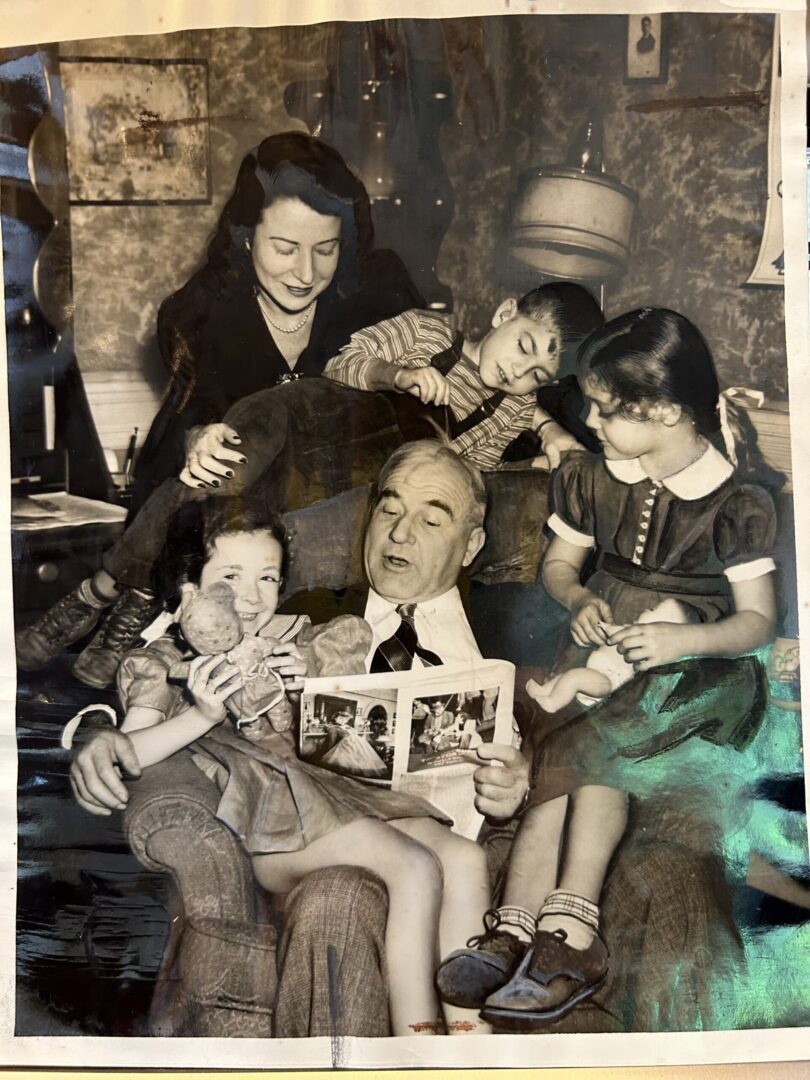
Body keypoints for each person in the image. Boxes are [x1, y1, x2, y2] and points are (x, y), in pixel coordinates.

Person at [66, 440, 532, 1037]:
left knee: (463, 859)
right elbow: (126, 743)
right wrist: (147, 723)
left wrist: (308, 676)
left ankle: (474, 1043)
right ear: (189, 591)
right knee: (414, 868)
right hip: (283, 825)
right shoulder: (181, 660)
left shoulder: (304, 630)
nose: (253, 596)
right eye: (389, 512)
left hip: (357, 808)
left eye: (268, 578)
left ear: (470, 544)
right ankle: (424, 1045)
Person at [436, 307, 777, 1031]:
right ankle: (517, 928)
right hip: (608, 650)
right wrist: (580, 595)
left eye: (605, 409)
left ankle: (575, 933)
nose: (587, 421)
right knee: (559, 744)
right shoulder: (593, 479)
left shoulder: (735, 502)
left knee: (589, 739)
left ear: (665, 411)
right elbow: (558, 567)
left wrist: (685, 644)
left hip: (701, 668)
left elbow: (757, 623)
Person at [16, 130, 421, 685]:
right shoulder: (200, 310)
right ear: (245, 238)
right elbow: (194, 411)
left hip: (322, 493)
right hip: (222, 503)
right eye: (285, 248)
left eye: (325, 249)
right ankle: (132, 599)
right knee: (220, 460)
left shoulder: (377, 294)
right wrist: (199, 433)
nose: (305, 273)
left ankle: (108, 592)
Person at [323, 281, 605, 470]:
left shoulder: (513, 410)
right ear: (504, 314)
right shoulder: (423, 332)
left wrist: (534, 467)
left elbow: (476, 474)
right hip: (345, 460)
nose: (518, 371)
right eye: (523, 347)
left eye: (538, 376)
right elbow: (336, 366)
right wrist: (397, 375)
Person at [525, 597, 697, 712]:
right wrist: (604, 627)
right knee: (566, 676)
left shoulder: (645, 649)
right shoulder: (629, 631)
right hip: (595, 673)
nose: (646, 608)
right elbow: (614, 631)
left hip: (606, 682)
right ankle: (545, 690)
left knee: (573, 677)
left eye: (653, 610)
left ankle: (552, 703)